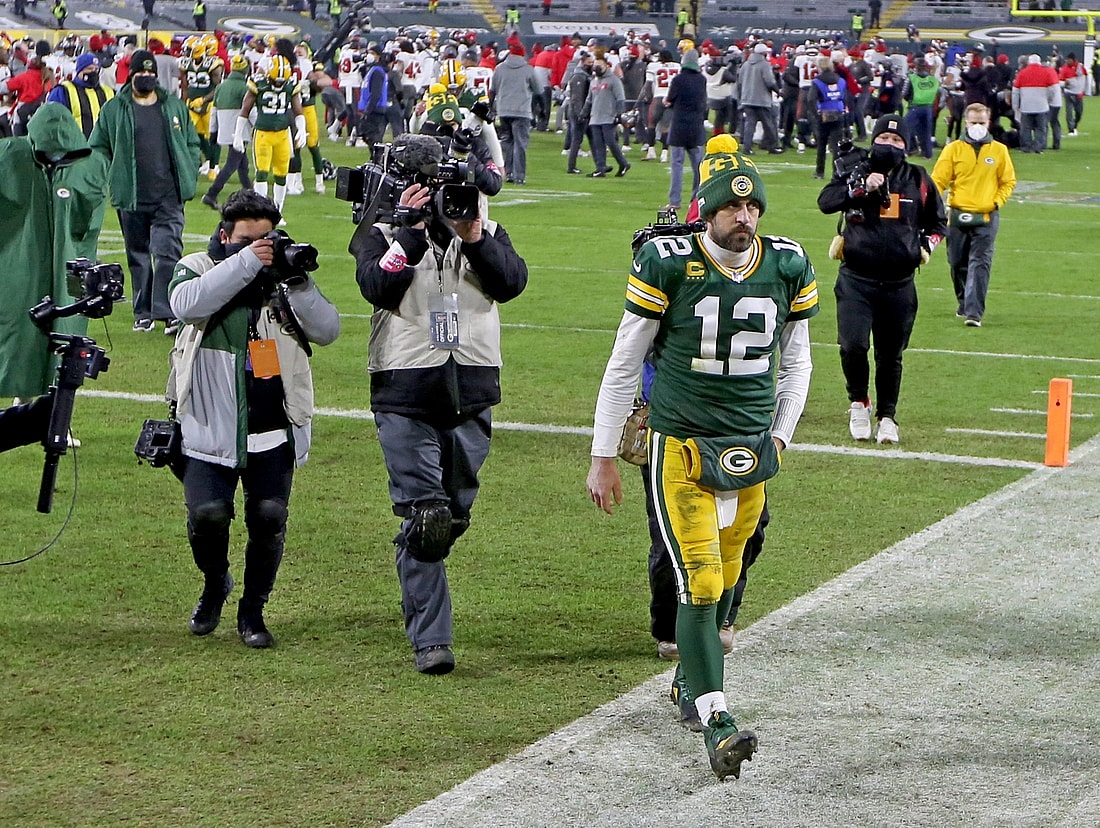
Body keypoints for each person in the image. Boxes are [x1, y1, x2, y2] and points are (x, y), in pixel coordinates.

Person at [587, 134, 818, 780]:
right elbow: (623, 361)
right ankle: (717, 719)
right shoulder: (667, 262)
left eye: (753, 209)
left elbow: (797, 361)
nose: (745, 219)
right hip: (682, 447)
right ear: (707, 213)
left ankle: (692, 674)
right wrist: (604, 454)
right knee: (699, 579)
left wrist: (781, 435)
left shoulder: (788, 265)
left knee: (727, 578)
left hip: (751, 450)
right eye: (731, 209)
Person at [349, 133, 529, 675]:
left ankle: (417, 560)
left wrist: (471, 233)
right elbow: (376, 287)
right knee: (426, 515)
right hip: (405, 389)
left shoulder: (484, 227)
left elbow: (512, 282)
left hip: (471, 389)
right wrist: (409, 232)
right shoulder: (381, 232)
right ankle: (432, 640)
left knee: (449, 519)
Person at [168, 189, 339, 648]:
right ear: (225, 236)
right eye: (248, 241)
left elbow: (328, 330)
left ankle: (253, 612)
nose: (261, 249)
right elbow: (185, 303)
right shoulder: (198, 267)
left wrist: (299, 282)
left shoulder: (283, 279)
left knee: (268, 517)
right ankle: (214, 582)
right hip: (208, 429)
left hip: (273, 430)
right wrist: (246, 263)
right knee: (208, 515)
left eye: (268, 239)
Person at [818, 115, 947, 444]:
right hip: (856, 279)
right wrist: (859, 189)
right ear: (873, 140)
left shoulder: (917, 178)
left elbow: (938, 222)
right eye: (884, 139)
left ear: (906, 146)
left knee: (891, 354)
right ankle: (858, 401)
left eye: (896, 141)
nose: (889, 146)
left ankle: (888, 416)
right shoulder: (854, 169)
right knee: (853, 345)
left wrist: (925, 247)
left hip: (899, 282)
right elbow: (826, 202)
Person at [0, 104, 108, 402]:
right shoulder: (9, 157)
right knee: (20, 331)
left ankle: (58, 414)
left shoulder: (90, 166)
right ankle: (20, 402)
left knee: (67, 335)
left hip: (67, 266)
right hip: (20, 263)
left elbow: (88, 220)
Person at [90, 49, 199, 335]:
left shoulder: (173, 106)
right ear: (131, 75)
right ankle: (143, 312)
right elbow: (98, 147)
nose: (148, 77)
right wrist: (107, 174)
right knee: (138, 257)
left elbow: (191, 142)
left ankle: (168, 312)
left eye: (151, 73)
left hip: (169, 195)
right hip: (132, 195)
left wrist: (191, 166)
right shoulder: (114, 109)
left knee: (167, 252)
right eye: (142, 73)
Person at [931, 103, 1016, 328]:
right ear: (965, 123)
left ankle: (974, 312)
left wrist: (996, 202)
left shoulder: (999, 150)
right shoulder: (953, 150)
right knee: (957, 261)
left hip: (987, 216)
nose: (977, 126)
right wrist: (933, 205)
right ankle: (963, 302)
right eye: (973, 122)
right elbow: (938, 180)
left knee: (980, 262)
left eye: (982, 122)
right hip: (957, 214)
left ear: (988, 123)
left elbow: (1008, 181)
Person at [234, 55, 306, 218]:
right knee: (262, 172)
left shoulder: (291, 85)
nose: (279, 84)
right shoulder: (258, 83)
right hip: (263, 134)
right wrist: (238, 135)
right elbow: (244, 110)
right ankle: (261, 212)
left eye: (281, 81)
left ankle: (277, 214)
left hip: (282, 134)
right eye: (275, 81)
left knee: (281, 174)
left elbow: (298, 111)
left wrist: (302, 129)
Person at [203, 53, 252, 209]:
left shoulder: (221, 86)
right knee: (232, 164)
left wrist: (213, 131)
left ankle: (250, 194)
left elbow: (214, 111)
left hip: (223, 129)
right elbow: (251, 111)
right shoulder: (245, 87)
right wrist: (258, 126)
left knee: (242, 164)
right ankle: (212, 194)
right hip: (238, 130)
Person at [491, 41, 540, 185]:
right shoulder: (528, 69)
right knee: (520, 144)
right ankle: (519, 175)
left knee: (507, 142)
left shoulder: (499, 68)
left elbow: (492, 90)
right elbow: (538, 90)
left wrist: (491, 107)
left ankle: (508, 172)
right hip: (522, 111)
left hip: (504, 110)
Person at [664, 49, 706, 207]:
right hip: (696, 127)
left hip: (679, 127)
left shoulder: (678, 80)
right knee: (699, 167)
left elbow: (669, 100)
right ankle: (696, 200)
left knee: (676, 165)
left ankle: (675, 201)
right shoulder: (702, 80)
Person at [581, 54, 631, 178]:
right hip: (595, 117)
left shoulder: (614, 80)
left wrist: (619, 114)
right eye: (595, 65)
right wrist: (584, 112)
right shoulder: (594, 81)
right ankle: (600, 168)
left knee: (611, 142)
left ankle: (623, 163)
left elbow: (620, 98)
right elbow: (589, 99)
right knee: (597, 144)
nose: (596, 67)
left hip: (608, 116)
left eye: (599, 65)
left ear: (606, 65)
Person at [45, 52, 115, 139]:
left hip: (102, 149)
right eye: (89, 69)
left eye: (96, 69)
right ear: (80, 70)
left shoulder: (108, 92)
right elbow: (51, 121)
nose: (93, 72)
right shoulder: (63, 91)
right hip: (75, 148)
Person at [738, 43, 782, 155]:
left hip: (747, 98)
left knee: (749, 124)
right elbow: (769, 81)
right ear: (764, 53)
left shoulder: (746, 64)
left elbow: (740, 81)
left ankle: (747, 148)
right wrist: (777, 91)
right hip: (762, 99)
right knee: (768, 124)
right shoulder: (764, 64)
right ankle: (772, 146)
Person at [1012, 54, 1058, 153]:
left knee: (1026, 128)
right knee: (1041, 128)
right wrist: (1048, 99)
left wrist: (1015, 106)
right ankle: (1038, 147)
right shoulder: (1046, 72)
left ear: (1029, 62)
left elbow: (1015, 91)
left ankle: (1026, 147)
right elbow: (1052, 89)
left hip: (1026, 106)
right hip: (1042, 106)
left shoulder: (1022, 73)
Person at [811, 54, 847, 179]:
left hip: (824, 113)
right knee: (836, 145)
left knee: (821, 144)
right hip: (838, 111)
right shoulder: (841, 81)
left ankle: (819, 171)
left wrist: (816, 113)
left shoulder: (817, 82)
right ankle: (836, 172)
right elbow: (844, 97)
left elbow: (811, 99)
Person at [1059, 52, 1086, 135]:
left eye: (1069, 60)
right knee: (1069, 112)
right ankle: (1071, 129)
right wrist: (1064, 84)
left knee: (1079, 112)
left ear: (1073, 60)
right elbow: (1060, 81)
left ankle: (1074, 125)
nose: (1067, 61)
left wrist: (1084, 91)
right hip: (1069, 93)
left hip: (1078, 93)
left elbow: (1085, 78)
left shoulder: (1080, 67)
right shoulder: (1064, 68)